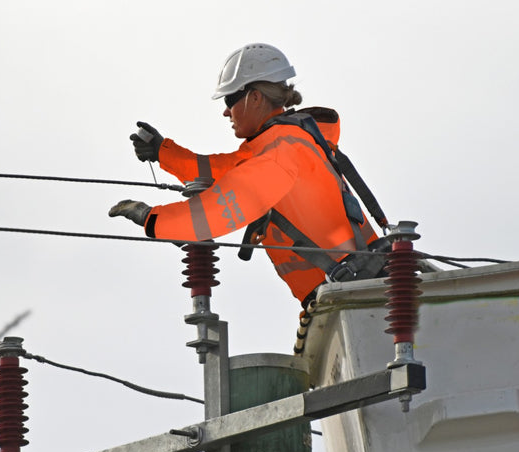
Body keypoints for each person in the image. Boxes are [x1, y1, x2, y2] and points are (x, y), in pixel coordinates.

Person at [109, 43, 386, 307]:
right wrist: (162, 152)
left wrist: (151, 218)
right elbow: (222, 173)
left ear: (255, 97)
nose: (226, 111)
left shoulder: (280, 153)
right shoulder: (280, 142)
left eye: (230, 99)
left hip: (356, 293)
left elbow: (221, 208)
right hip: (352, 289)